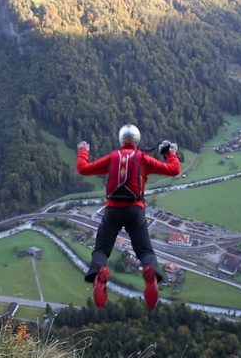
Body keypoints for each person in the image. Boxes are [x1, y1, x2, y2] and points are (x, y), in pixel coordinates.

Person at [77, 124, 181, 309]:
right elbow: (174, 170)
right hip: (135, 210)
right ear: (137, 141)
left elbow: (83, 169)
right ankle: (150, 273)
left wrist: (83, 151)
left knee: (101, 251)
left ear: (120, 140)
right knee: (145, 251)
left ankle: (100, 275)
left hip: (112, 211)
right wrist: (169, 153)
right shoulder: (143, 159)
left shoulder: (112, 158)